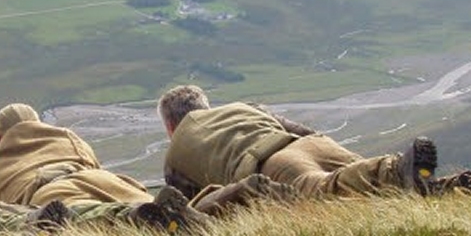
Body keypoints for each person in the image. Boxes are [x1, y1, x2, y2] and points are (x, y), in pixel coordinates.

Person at [156, 85, 438, 200]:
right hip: (310, 144)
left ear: (170, 125)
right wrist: (320, 146)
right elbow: (299, 129)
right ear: (206, 105)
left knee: (323, 191)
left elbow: (197, 205)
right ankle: (452, 185)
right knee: (375, 180)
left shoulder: (175, 157)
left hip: (272, 164)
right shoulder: (243, 106)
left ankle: (396, 170)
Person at [0, 103, 208, 232]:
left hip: (50, 193)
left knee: (90, 219)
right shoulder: (66, 136)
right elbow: (91, 161)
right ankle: (215, 208)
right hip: (103, 179)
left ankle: (138, 219)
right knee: (146, 203)